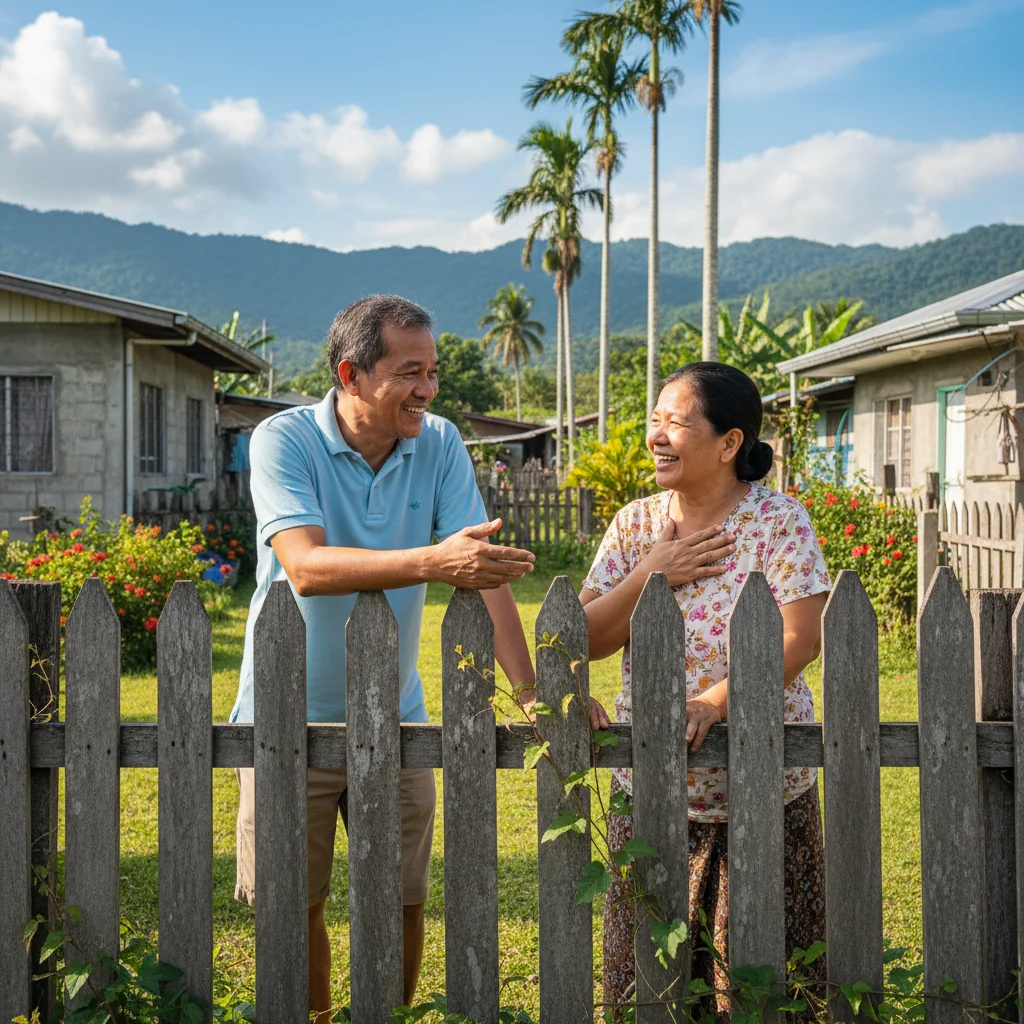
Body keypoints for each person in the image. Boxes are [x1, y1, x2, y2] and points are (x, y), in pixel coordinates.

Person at [229, 295, 540, 1022]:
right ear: (351, 373)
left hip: (397, 722)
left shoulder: (439, 444)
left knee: (402, 899)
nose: (428, 389)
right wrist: (436, 560)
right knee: (293, 902)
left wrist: (530, 693)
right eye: (410, 372)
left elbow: (479, 571)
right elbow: (303, 566)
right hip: (284, 723)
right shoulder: (284, 441)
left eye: (432, 372)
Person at [580, 362, 830, 1020]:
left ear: (728, 443)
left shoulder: (779, 523)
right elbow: (584, 636)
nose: (658, 436)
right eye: (654, 420)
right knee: (651, 993)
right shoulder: (636, 526)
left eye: (677, 422)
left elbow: (801, 638)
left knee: (762, 990)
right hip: (652, 796)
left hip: (765, 794)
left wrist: (712, 704)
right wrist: (648, 573)